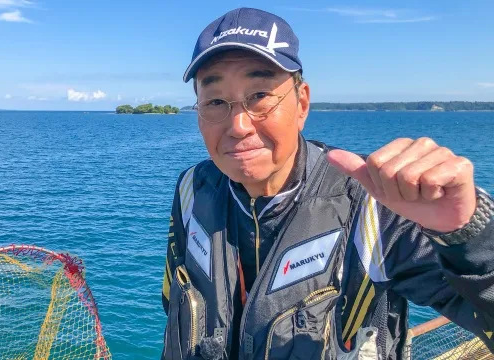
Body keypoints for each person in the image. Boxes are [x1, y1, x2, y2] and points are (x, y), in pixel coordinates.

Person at [160, 7, 494, 360]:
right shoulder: (192, 192)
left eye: (259, 96)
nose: (239, 126)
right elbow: (175, 303)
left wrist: (467, 236)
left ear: (302, 103)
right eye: (215, 101)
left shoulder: (374, 204)